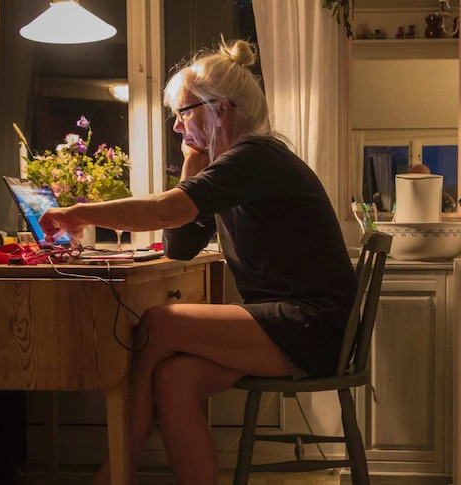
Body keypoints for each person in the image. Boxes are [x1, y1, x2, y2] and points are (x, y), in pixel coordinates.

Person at [38, 38, 357, 485]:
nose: (176, 125)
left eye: (184, 112)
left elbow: (167, 211)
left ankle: (112, 476)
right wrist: (192, 159)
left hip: (313, 326)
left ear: (220, 110)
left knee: (156, 324)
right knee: (175, 380)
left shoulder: (255, 157)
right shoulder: (234, 166)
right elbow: (180, 246)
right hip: (293, 323)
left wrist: (77, 212)